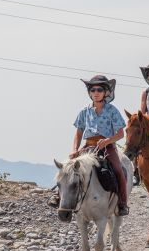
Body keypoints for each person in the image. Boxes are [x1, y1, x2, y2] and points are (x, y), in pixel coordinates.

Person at [49, 75, 129, 216]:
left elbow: (121, 134)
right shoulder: (84, 111)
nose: (96, 92)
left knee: (118, 170)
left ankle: (122, 203)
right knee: (67, 169)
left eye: (99, 89)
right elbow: (79, 133)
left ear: (105, 92)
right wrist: (75, 149)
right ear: (89, 92)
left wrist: (107, 141)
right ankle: (57, 196)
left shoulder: (112, 110)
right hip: (88, 146)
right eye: (93, 90)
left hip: (107, 147)